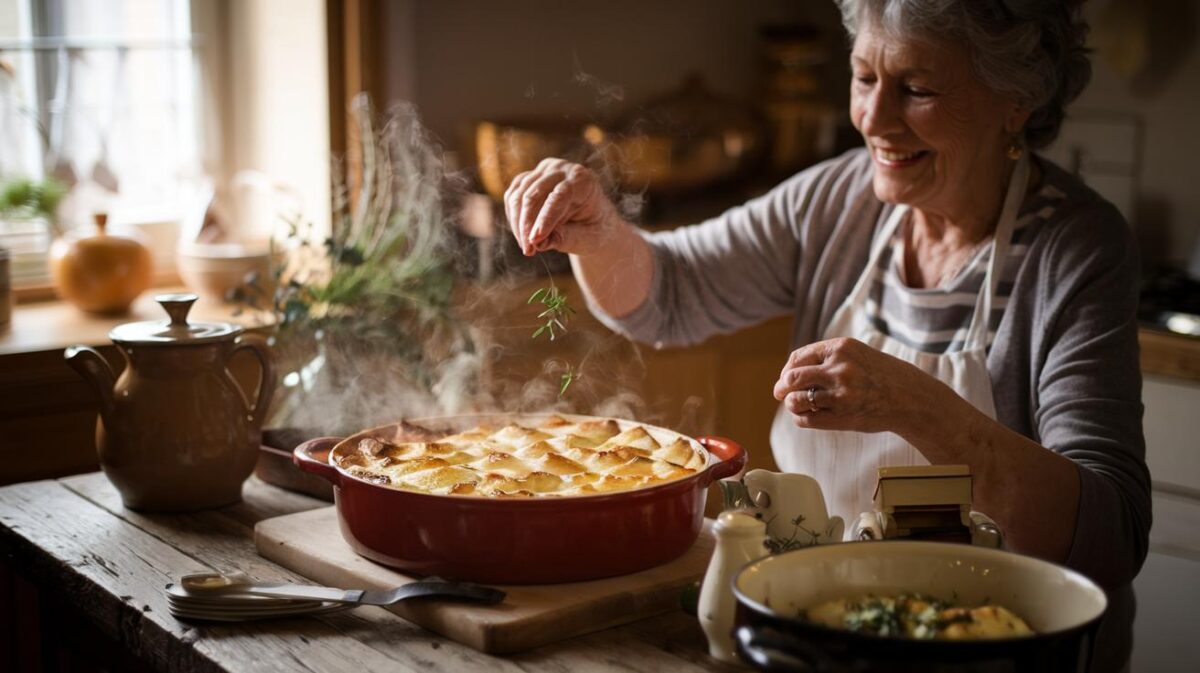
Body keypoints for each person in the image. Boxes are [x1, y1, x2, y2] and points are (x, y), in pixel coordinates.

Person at [505, 1, 1149, 669]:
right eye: (864, 78)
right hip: (822, 631)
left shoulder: (1076, 251)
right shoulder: (838, 201)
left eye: (917, 88)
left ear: (1014, 99)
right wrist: (600, 231)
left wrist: (914, 404)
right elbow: (668, 293)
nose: (872, 118)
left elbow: (1110, 535)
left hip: (996, 648)